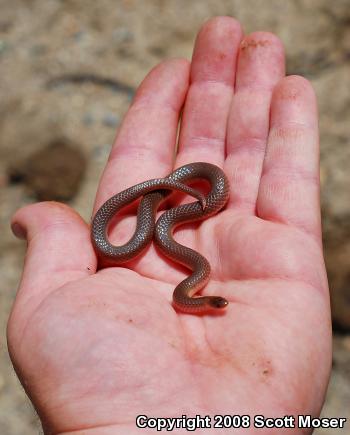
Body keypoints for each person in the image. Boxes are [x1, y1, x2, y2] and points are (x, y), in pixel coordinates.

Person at [8, 16, 331, 435]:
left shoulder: (190, 278)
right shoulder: (194, 274)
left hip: (175, 211)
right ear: (200, 298)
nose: (218, 305)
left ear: (199, 300)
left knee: (161, 212)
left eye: (213, 304)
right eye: (215, 303)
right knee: (150, 218)